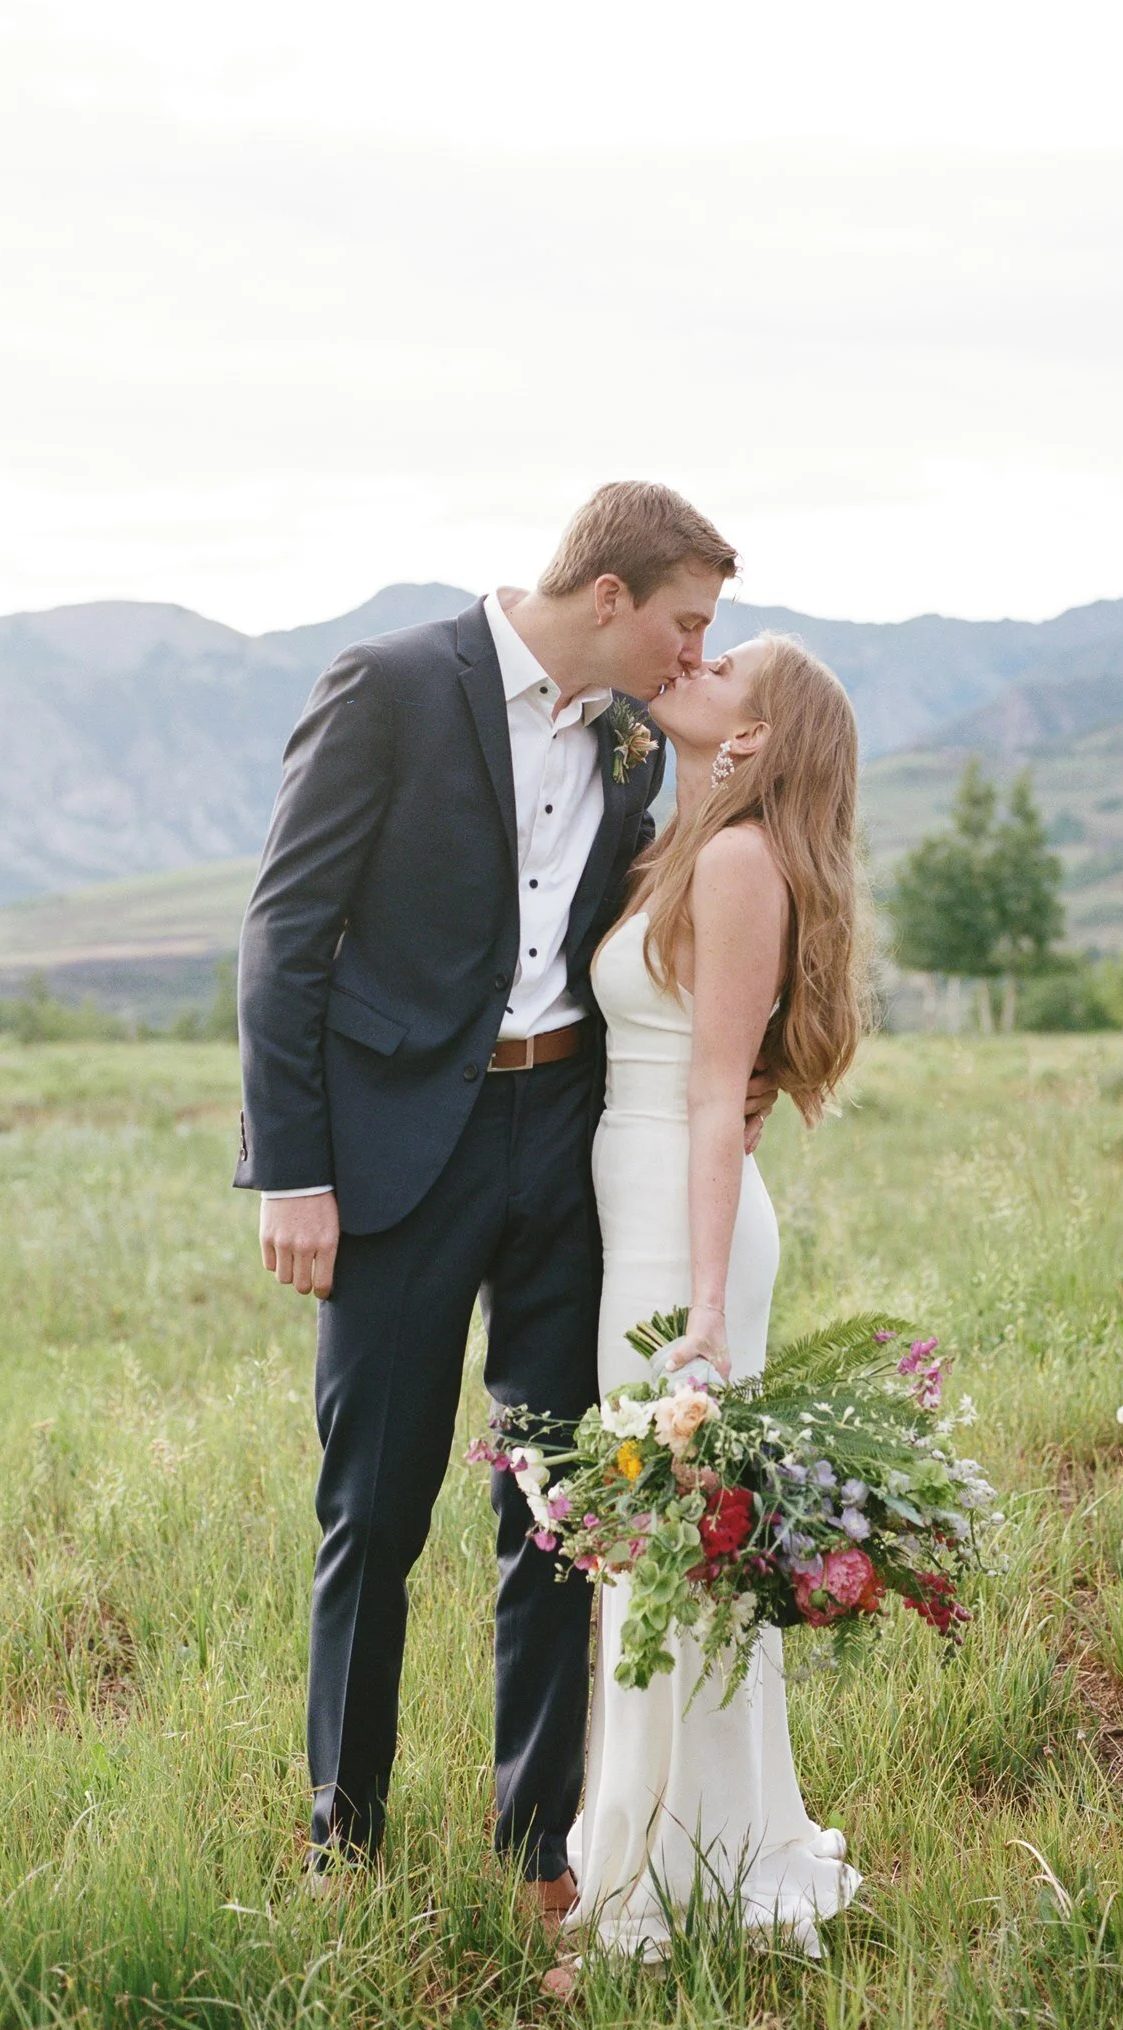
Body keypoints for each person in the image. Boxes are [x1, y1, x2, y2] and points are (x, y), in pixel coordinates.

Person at [235, 483, 775, 1914]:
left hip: (567, 1140)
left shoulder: (636, 741)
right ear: (610, 598)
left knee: (554, 1505)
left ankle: (536, 1843)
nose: (689, 650)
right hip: (400, 1153)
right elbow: (286, 929)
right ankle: (339, 1842)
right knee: (375, 1507)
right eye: (684, 621)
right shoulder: (395, 685)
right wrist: (294, 1168)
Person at [561, 632, 871, 1967]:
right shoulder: (679, 842)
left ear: (751, 736)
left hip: (683, 1238)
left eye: (724, 664)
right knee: (668, 1550)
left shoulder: (741, 865)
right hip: (638, 1207)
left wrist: (696, 1314)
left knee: (670, 1549)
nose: (693, 660)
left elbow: (709, 1090)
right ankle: (670, 1845)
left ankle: (660, 1886)